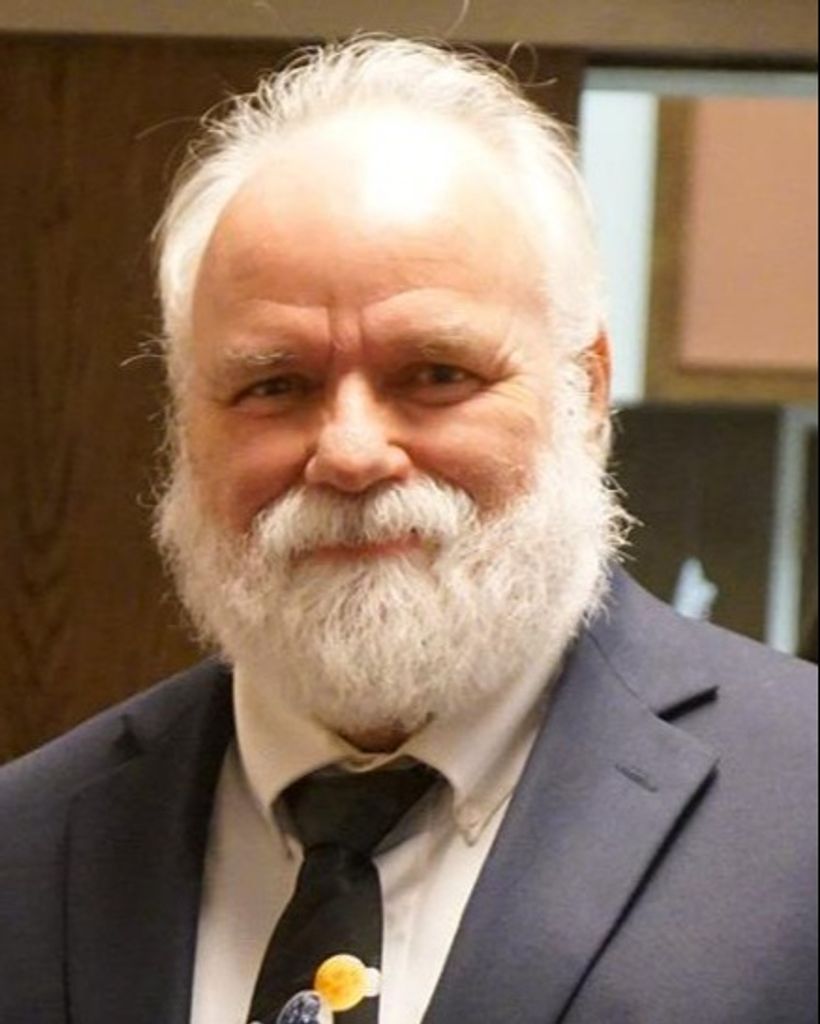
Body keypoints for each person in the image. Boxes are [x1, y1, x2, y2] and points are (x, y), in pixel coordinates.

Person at [0, 37, 816, 1024]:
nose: (350, 453)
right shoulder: (28, 849)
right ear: (184, 423)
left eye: (435, 374)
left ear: (586, 393)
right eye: (275, 385)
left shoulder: (799, 804)